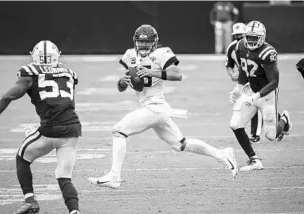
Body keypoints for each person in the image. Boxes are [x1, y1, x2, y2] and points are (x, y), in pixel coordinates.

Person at [88, 24, 238, 189]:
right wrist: (123, 82)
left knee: (118, 131)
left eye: (147, 42)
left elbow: (177, 74)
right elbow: (122, 85)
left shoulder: (161, 53)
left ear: (155, 41)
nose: (143, 45)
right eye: (140, 42)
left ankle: (114, 177)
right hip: (151, 107)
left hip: (154, 106)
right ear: (135, 42)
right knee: (181, 144)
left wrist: (153, 73)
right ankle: (222, 154)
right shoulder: (130, 55)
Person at [0, 40, 81, 214]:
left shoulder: (29, 73)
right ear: (57, 55)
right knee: (64, 177)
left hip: (50, 130)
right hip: (72, 129)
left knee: (22, 157)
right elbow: (59, 101)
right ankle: (74, 211)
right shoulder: (70, 73)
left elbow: (9, 96)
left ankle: (30, 200)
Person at [229, 21, 293, 171]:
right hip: (250, 90)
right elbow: (244, 69)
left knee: (271, 135)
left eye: (254, 38)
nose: (250, 41)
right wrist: (238, 88)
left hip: (267, 94)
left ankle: (284, 119)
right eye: (248, 37)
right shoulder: (240, 47)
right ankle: (254, 160)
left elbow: (274, 82)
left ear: (262, 38)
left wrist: (257, 96)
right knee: (235, 124)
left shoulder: (268, 53)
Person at [225, 22, 262, 144]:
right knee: (251, 105)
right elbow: (229, 65)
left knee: (256, 103)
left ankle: (254, 134)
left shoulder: (257, 46)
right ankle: (281, 121)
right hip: (243, 80)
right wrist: (232, 75)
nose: (238, 38)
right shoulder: (232, 47)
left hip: (256, 79)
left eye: (240, 35)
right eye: (235, 36)